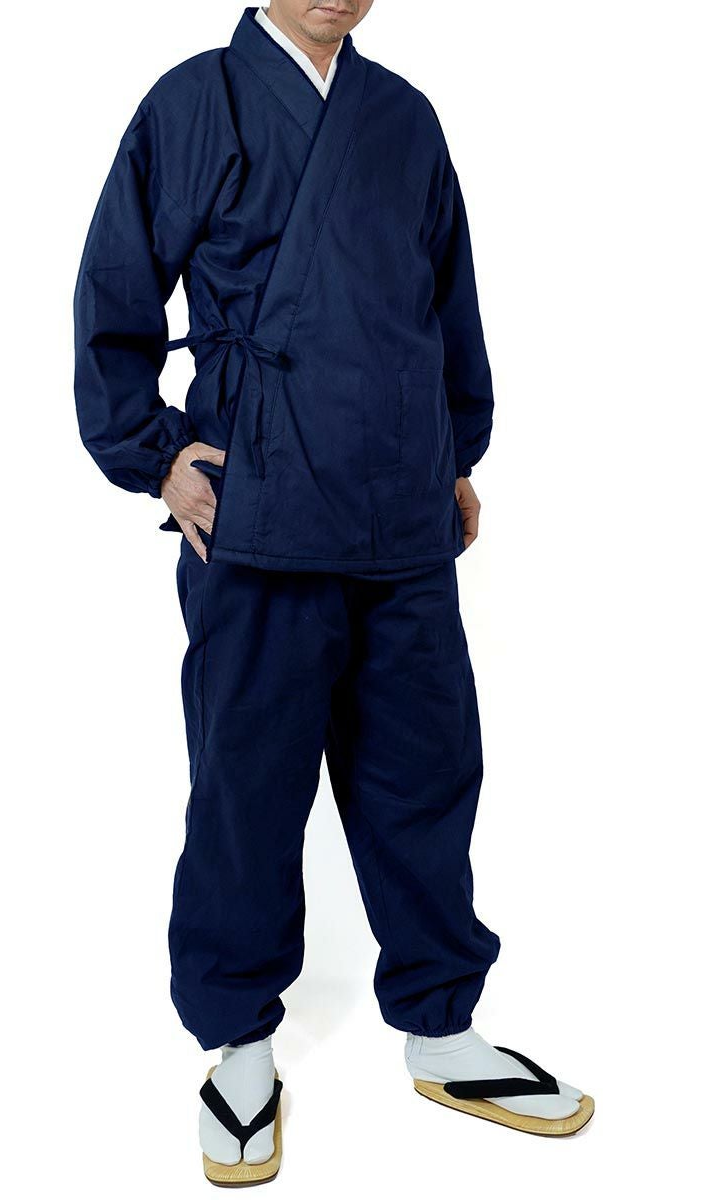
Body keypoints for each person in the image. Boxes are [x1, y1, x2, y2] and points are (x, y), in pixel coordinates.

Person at [74, 2, 593, 1183]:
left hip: (401, 512)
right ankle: (241, 1049)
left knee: (427, 771)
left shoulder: (403, 118)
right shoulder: (194, 103)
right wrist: (157, 453)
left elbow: (447, 303)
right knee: (247, 788)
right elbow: (114, 294)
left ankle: (443, 1029)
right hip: (259, 509)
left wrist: (454, 455)